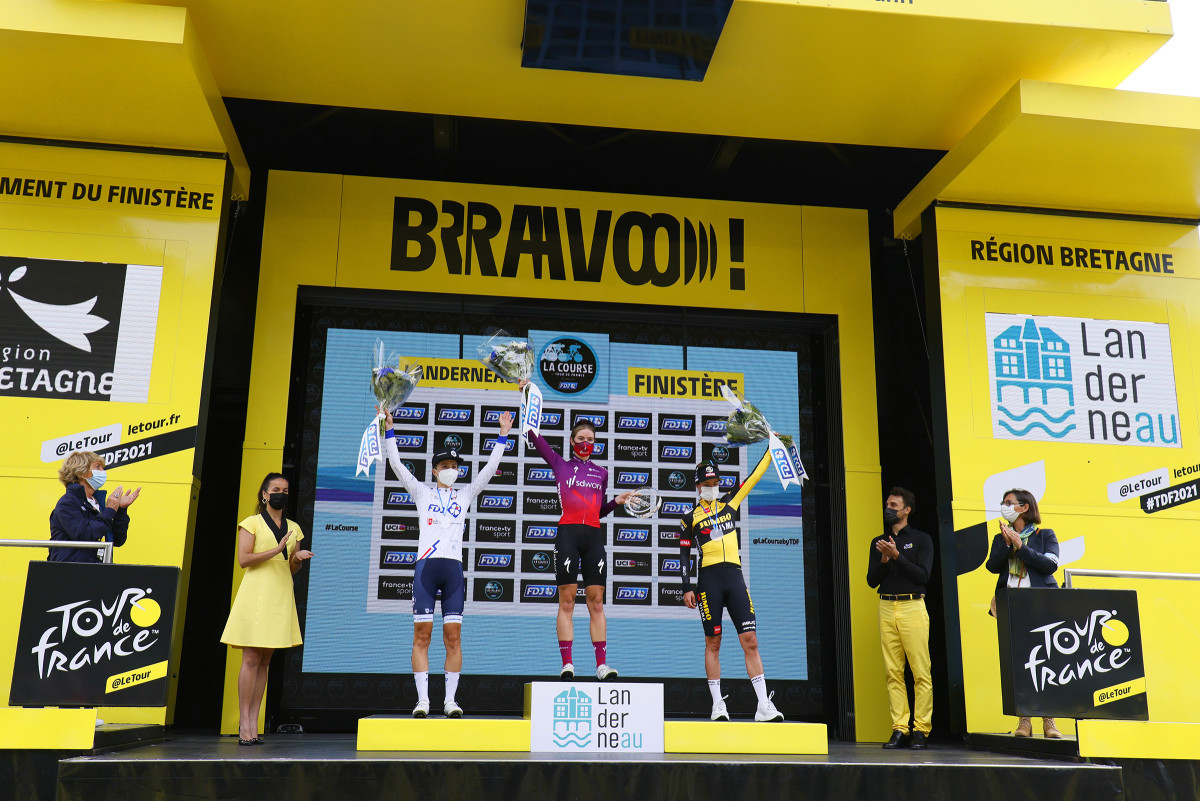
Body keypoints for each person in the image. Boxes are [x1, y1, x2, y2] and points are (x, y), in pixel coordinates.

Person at [383, 407, 513, 717]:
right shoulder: (422, 493)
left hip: (453, 571)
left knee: (453, 638)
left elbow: (487, 471)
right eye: (445, 465)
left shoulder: (465, 494)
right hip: (427, 569)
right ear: (434, 471)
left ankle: (450, 701)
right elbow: (398, 465)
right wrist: (389, 430)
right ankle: (423, 702)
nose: (451, 469)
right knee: (422, 636)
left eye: (454, 465)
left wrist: (503, 435)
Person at [518, 387, 632, 681]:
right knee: (567, 602)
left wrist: (615, 503)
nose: (586, 443)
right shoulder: (559, 464)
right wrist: (527, 395)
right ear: (571, 441)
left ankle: (601, 665)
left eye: (590, 440)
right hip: (567, 534)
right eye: (581, 439)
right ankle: (567, 663)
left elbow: (598, 512)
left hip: (594, 537)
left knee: (596, 602)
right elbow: (532, 434)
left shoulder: (601, 473)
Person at [680, 456, 784, 722]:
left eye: (715, 482)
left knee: (751, 640)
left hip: (734, 578)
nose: (712, 486)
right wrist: (686, 587)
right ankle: (718, 705)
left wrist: (771, 451)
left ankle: (763, 704)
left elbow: (754, 477)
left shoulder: (730, 502)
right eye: (707, 483)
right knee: (713, 642)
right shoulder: (690, 518)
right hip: (708, 581)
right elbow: (682, 555)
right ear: (698, 486)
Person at [220, 473, 313, 745]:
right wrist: (276, 550)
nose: (280, 493)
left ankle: (255, 722)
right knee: (250, 657)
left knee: (265, 660)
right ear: (264, 494)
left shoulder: (294, 527)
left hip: (280, 593)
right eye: (275, 489)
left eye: (285, 489)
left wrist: (296, 557)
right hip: (256, 594)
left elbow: (291, 568)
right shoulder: (251, 524)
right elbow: (243, 560)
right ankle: (244, 723)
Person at [985, 488, 1062, 740]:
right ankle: (1024, 720)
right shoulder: (1001, 536)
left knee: (1045, 660)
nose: (1004, 506)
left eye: (1009, 502)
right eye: (1003, 502)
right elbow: (992, 566)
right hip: (1013, 605)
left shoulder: (1044, 535)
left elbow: (1050, 564)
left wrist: (1021, 547)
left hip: (1040, 603)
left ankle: (1049, 722)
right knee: (1021, 662)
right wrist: (1007, 545)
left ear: (1024, 507)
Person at [866, 487, 934, 749]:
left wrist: (897, 556)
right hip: (886, 606)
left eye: (894, 505)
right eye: (887, 504)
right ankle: (899, 728)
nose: (889, 508)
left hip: (912, 606)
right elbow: (872, 581)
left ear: (906, 510)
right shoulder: (879, 540)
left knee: (920, 671)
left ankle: (921, 730)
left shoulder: (921, 539)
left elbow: (923, 576)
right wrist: (884, 560)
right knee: (893, 672)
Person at [49, 451, 140, 562]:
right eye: (98, 467)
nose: (103, 471)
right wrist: (110, 510)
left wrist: (120, 509)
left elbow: (117, 539)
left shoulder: (96, 502)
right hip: (71, 572)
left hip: (97, 570)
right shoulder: (68, 502)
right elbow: (85, 534)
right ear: (81, 472)